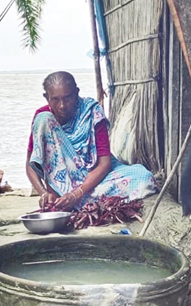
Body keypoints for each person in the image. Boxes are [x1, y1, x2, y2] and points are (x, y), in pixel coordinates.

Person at [26, 71, 156, 211]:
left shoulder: (92, 112)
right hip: (63, 183)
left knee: (144, 178)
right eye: (55, 99)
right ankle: (63, 197)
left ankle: (74, 200)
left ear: (76, 93)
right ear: (47, 98)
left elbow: (104, 163)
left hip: (94, 178)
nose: (62, 105)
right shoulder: (42, 118)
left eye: (67, 98)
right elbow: (30, 165)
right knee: (44, 118)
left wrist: (76, 194)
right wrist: (43, 193)